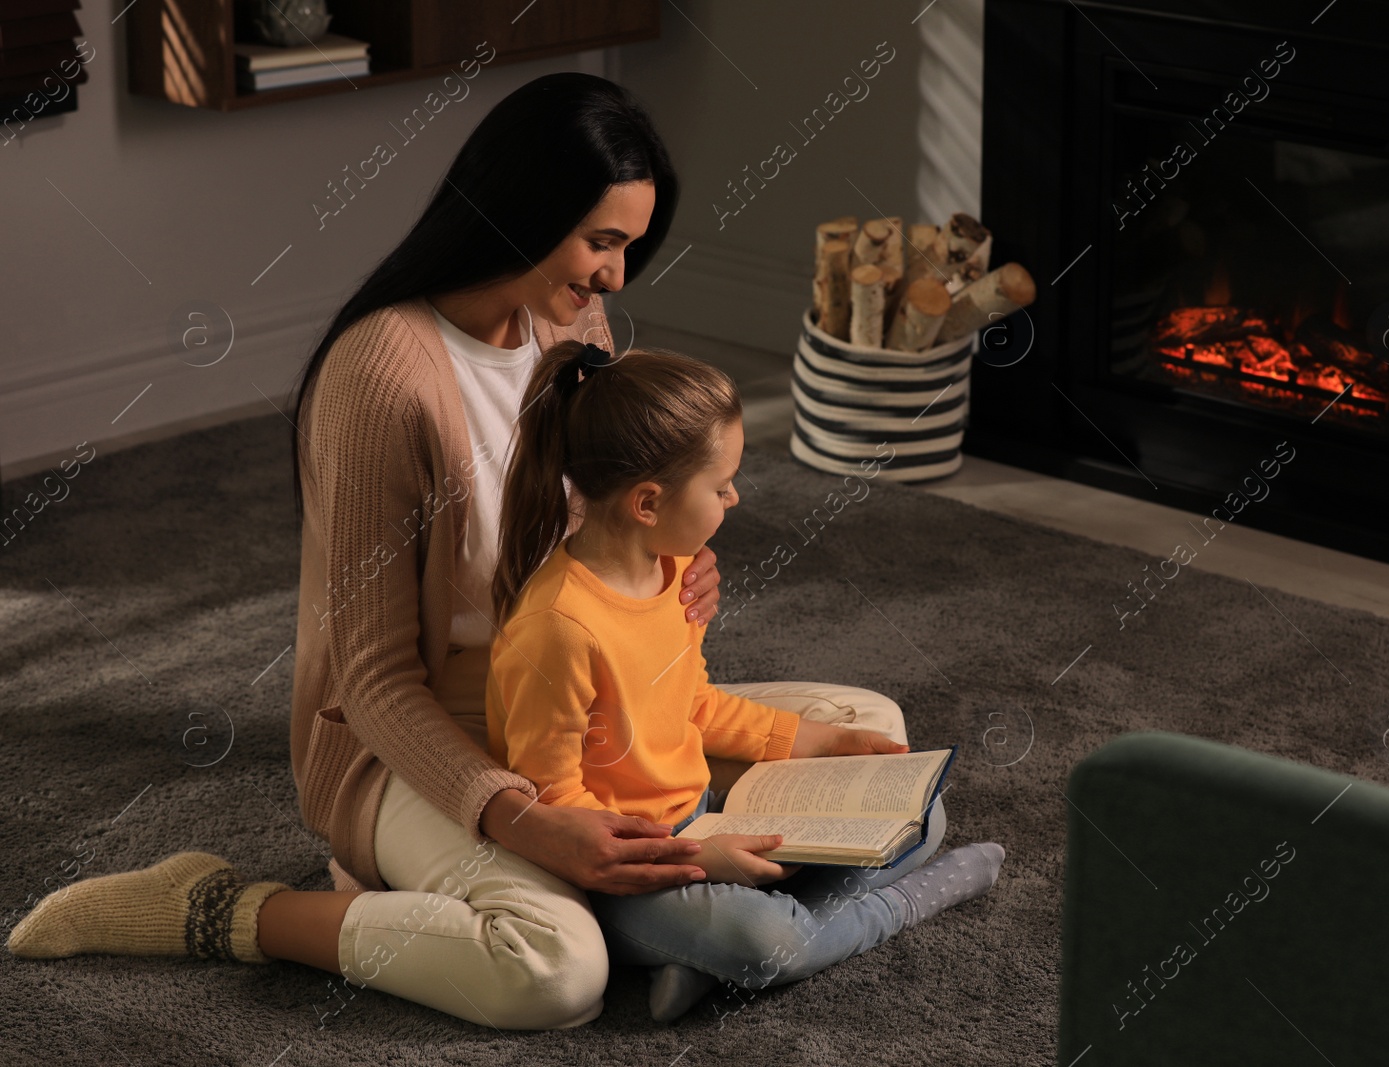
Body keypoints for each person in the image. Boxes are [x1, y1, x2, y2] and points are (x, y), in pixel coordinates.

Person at [5, 72, 934, 1031]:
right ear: (522, 208)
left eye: (627, 246)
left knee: (868, 723)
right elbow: (370, 679)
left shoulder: (570, 320)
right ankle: (235, 909)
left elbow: (613, 513)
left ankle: (670, 929)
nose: (616, 276)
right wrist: (526, 822)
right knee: (553, 975)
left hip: (582, 701)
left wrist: (672, 566)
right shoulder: (383, 376)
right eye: (601, 242)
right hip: (421, 741)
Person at [484, 337, 1004, 1023]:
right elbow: (558, 803)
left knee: (922, 814)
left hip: (705, 816)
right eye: (721, 483)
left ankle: (700, 962)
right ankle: (903, 902)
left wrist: (815, 741)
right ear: (647, 502)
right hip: (624, 871)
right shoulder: (558, 628)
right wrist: (700, 856)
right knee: (771, 942)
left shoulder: (671, 570)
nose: (736, 493)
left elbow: (693, 703)